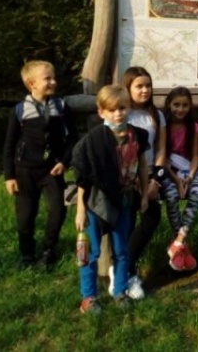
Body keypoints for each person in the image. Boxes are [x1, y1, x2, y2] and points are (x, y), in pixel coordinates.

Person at [73, 85, 149, 314]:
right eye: (112, 110)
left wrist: (144, 194)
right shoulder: (93, 141)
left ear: (129, 107)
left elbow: (142, 166)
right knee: (89, 252)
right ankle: (88, 297)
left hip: (124, 201)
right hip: (95, 203)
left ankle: (119, 291)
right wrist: (80, 210)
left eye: (122, 108)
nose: (118, 114)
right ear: (101, 112)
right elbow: (83, 178)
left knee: (121, 249)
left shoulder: (137, 136)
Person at [2, 60, 78, 268]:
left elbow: (72, 139)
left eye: (54, 77)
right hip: (25, 170)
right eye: (47, 78)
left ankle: (48, 249)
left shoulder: (61, 107)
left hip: (52, 170)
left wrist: (64, 162)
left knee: (58, 209)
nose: (53, 82)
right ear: (31, 84)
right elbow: (9, 145)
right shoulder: (20, 110)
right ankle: (27, 254)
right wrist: (9, 176)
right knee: (25, 215)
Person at [120, 66, 166, 300]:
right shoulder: (122, 114)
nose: (145, 90)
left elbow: (161, 149)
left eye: (148, 85)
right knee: (127, 222)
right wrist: (134, 179)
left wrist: (155, 180)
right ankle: (126, 272)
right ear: (127, 88)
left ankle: (124, 268)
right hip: (126, 177)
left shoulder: (156, 115)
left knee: (152, 215)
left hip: (149, 175)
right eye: (139, 86)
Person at [159, 86, 198, 272]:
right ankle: (181, 245)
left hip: (189, 169)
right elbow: (162, 157)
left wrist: (190, 177)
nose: (180, 109)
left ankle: (178, 241)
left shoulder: (194, 127)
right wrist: (176, 180)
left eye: (185, 105)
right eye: (176, 105)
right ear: (169, 104)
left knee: (196, 194)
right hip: (169, 170)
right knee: (171, 196)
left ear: (190, 106)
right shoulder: (163, 126)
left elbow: (195, 157)